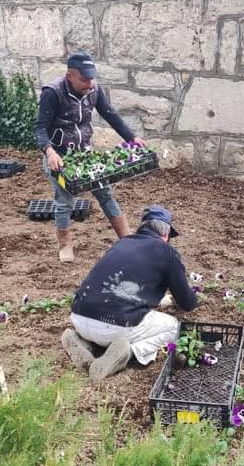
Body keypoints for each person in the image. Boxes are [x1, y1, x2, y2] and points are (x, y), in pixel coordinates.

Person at [61, 205, 198, 382]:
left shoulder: (121, 243)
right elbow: (187, 303)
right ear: (166, 234)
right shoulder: (166, 252)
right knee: (173, 327)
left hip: (79, 316)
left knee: (107, 320)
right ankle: (128, 352)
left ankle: (83, 342)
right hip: (116, 326)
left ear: (142, 228)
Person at [34, 51, 145, 263]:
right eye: (84, 79)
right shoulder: (53, 93)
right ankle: (65, 245)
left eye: (91, 77)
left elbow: (110, 114)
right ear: (70, 76)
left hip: (84, 152)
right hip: (60, 155)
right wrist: (49, 152)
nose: (89, 83)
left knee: (105, 192)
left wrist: (132, 138)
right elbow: (40, 128)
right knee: (64, 200)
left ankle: (126, 238)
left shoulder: (93, 90)